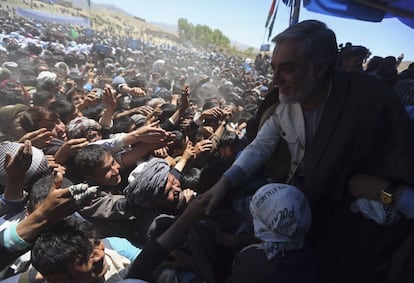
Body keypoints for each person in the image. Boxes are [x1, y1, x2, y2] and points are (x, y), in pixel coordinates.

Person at [202, 20, 414, 283]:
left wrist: (386, 193)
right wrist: (226, 181)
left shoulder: (371, 102)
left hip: (353, 237)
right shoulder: (286, 103)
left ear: (321, 67)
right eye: (274, 68)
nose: (276, 80)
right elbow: (261, 146)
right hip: (302, 212)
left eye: (287, 69)